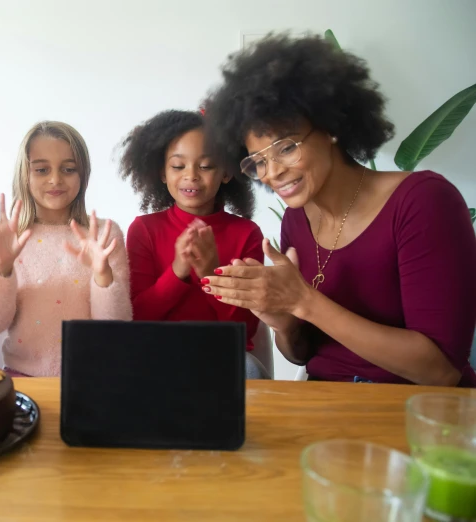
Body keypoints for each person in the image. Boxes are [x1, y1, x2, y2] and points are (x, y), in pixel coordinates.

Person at [201, 35, 476, 386]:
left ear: (330, 127)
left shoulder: (423, 201)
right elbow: (304, 354)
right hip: (326, 401)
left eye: (285, 148)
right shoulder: (296, 220)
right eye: (258, 161)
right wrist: (283, 321)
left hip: (412, 409)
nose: (272, 173)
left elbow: (440, 371)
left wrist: (305, 302)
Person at [0, 121, 132, 376]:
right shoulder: (8, 238)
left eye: (68, 169)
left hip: (92, 378)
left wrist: (103, 277)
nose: (55, 179)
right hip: (22, 378)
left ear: (83, 174)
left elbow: (115, 327)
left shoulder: (103, 235)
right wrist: (2, 269)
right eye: (41, 169)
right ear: (25, 174)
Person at [118, 110, 264, 352]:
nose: (191, 175)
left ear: (226, 172)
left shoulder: (247, 234)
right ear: (162, 173)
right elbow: (137, 317)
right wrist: (177, 272)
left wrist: (209, 274)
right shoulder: (144, 230)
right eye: (178, 165)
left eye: (206, 166)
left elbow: (244, 329)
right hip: (155, 353)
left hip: (221, 355)